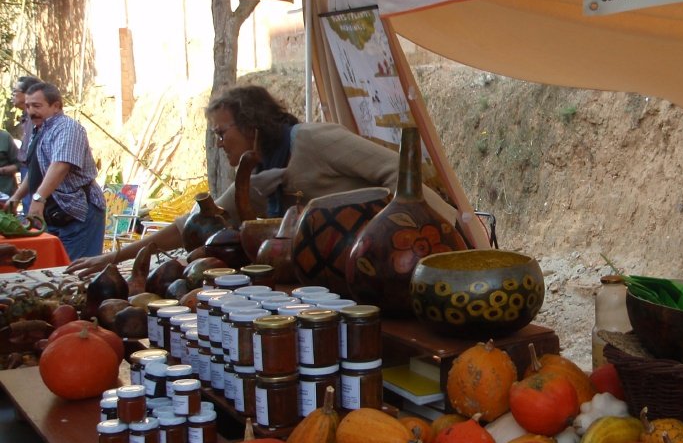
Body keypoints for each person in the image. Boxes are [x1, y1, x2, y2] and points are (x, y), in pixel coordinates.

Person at [67, 84, 458, 276]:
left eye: (222, 133)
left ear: (251, 125)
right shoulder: (251, 174)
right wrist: (114, 258)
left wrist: (451, 244)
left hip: (378, 268)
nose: (218, 143)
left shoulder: (312, 139)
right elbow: (193, 223)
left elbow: (398, 171)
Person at [2, 82, 106, 260]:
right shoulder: (40, 129)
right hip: (54, 215)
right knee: (54, 270)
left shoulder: (67, 128)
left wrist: (38, 198)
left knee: (76, 274)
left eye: (37, 106)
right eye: (28, 106)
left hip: (77, 213)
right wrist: (16, 197)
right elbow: (37, 170)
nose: (31, 111)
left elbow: (60, 165)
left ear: (56, 106)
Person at [10, 75, 42, 212]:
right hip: (26, 169)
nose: (12, 94)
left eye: (15, 90)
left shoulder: (36, 119)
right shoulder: (26, 118)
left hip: (33, 169)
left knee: (32, 212)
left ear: (27, 93)